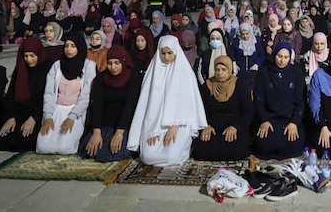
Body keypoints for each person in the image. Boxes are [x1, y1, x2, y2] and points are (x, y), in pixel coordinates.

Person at [127, 34, 208, 165]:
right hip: (156, 123)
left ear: (176, 51)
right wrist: (152, 129)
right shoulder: (152, 72)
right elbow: (147, 104)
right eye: (163, 53)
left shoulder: (186, 73)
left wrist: (174, 126)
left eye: (170, 53)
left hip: (180, 123)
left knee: (172, 157)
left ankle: (186, 147)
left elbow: (189, 104)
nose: (166, 57)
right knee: (147, 156)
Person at [37, 30, 98, 154]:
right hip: (55, 110)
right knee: (43, 147)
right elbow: (49, 93)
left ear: (80, 48)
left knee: (65, 148)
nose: (69, 49)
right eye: (66, 46)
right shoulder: (57, 65)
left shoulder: (89, 66)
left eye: (73, 46)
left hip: (75, 112)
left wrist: (72, 117)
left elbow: (85, 96)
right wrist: (48, 116)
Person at [80, 45, 138, 162]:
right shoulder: (101, 78)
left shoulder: (132, 78)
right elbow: (97, 105)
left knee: (114, 153)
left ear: (123, 61)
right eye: (110, 63)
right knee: (88, 149)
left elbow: (129, 106)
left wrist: (119, 133)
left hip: (123, 125)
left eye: (117, 63)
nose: (113, 67)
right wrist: (96, 132)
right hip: (103, 124)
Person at [192, 54, 253, 161]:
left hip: (233, 126)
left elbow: (247, 111)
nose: (220, 73)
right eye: (217, 69)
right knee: (201, 152)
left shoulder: (239, 85)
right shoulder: (207, 86)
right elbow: (200, 109)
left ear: (229, 69)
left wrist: (235, 126)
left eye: (224, 69)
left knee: (237, 151)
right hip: (212, 126)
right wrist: (206, 125)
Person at [253, 41, 306, 160]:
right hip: (269, 118)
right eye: (279, 56)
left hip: (289, 118)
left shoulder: (297, 73)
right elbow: (258, 99)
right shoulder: (264, 72)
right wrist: (264, 120)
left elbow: (300, 102)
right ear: (274, 55)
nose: (282, 60)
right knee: (263, 143)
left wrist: (294, 122)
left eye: (286, 57)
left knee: (294, 143)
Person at [0, 36, 52, 152]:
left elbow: (46, 96)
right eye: (26, 56)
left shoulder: (46, 68)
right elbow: (11, 95)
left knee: (26, 141)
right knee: (4, 140)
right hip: (18, 113)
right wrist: (10, 117)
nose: (28, 59)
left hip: (37, 113)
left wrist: (34, 118)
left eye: (32, 56)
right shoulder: (21, 68)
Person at [229, 21, 265, 93]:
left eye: (247, 34)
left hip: (254, 71)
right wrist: (234, 64)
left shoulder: (256, 41)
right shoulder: (236, 42)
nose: (245, 36)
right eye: (243, 34)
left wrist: (257, 64)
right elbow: (231, 54)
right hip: (240, 71)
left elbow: (262, 55)